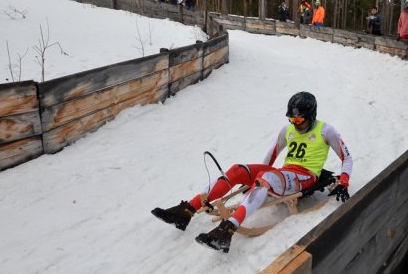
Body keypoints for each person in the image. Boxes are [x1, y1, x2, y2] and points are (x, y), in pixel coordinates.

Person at [151, 92, 353, 253]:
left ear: (311, 116)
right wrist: (254, 177)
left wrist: (343, 182)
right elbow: (271, 155)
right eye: (292, 120)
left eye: (299, 120)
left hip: (306, 177)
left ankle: (228, 229)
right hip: (284, 174)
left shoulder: (326, 131)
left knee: (266, 178)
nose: (295, 124)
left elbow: (347, 157)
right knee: (238, 170)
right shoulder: (288, 130)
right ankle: (187, 211)